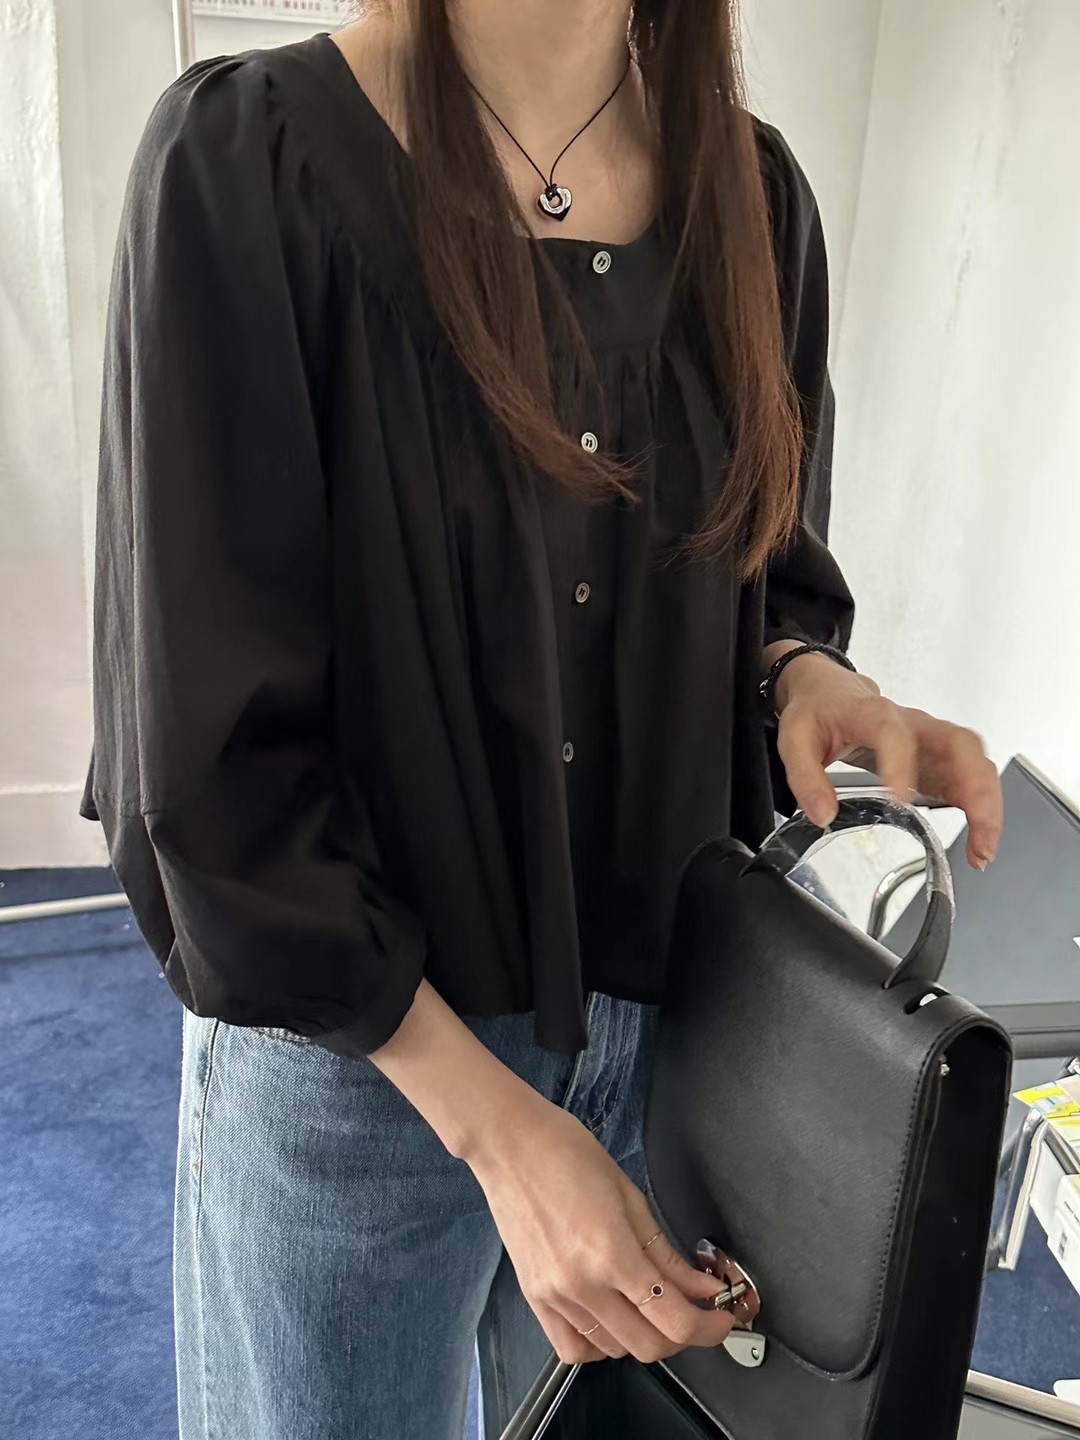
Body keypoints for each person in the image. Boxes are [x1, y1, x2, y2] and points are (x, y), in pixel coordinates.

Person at [78, 3, 1004, 1438]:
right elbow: (204, 760)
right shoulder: (247, 163)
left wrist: (800, 675)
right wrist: (503, 1137)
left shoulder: (754, 200)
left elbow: (770, 569)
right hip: (360, 1064)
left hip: (675, 1040)